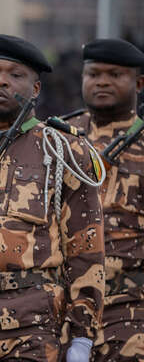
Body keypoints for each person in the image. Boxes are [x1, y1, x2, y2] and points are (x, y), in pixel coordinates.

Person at [0, 34, 105, 361]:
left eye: (15, 75)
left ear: (36, 89)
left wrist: (82, 337)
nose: (1, 81)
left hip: (30, 326)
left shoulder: (64, 151)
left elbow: (86, 249)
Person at [63, 38, 144, 362]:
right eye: (94, 74)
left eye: (114, 74)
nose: (102, 82)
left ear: (139, 83)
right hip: (64, 303)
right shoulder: (59, 138)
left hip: (130, 304)